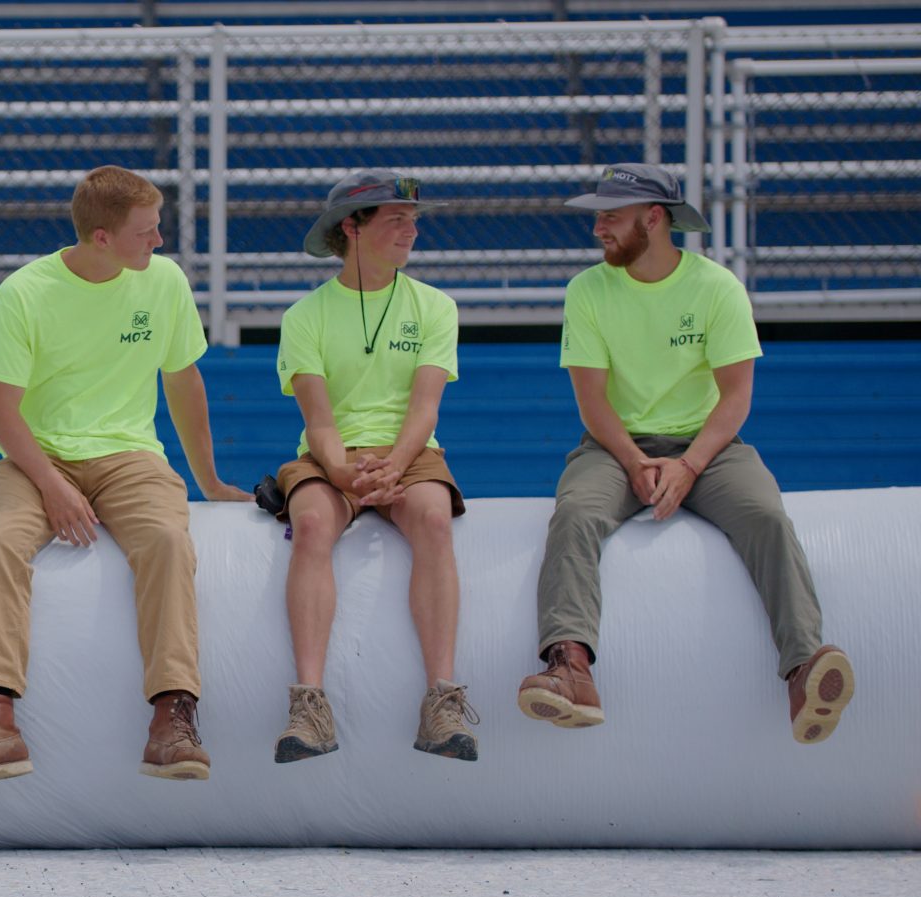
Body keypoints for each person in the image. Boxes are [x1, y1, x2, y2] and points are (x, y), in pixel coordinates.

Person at [518, 163, 854, 743]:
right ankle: (570, 669)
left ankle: (804, 671)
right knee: (575, 514)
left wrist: (689, 464)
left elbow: (736, 396)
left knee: (767, 516)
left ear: (654, 219)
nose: (597, 227)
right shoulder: (587, 290)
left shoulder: (717, 287)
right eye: (597, 215)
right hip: (615, 445)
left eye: (611, 216)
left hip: (709, 447)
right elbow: (593, 403)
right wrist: (632, 461)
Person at [0, 164, 252, 784]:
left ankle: (173, 718)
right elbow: (2, 413)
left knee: (167, 541)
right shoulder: (25, 293)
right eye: (147, 231)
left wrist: (211, 482)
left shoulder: (163, 282)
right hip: (36, 457)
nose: (159, 242)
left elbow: (183, 382)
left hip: (131, 455)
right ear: (102, 238)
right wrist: (53, 487)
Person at [262, 169, 480, 764]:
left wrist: (396, 465)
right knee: (309, 525)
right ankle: (308, 706)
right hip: (333, 456)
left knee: (434, 520)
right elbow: (320, 421)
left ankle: (443, 700)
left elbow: (425, 408)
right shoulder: (305, 316)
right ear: (351, 228)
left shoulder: (436, 306)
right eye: (396, 220)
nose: (411, 229)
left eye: (413, 220)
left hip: (410, 455)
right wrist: (340, 472)